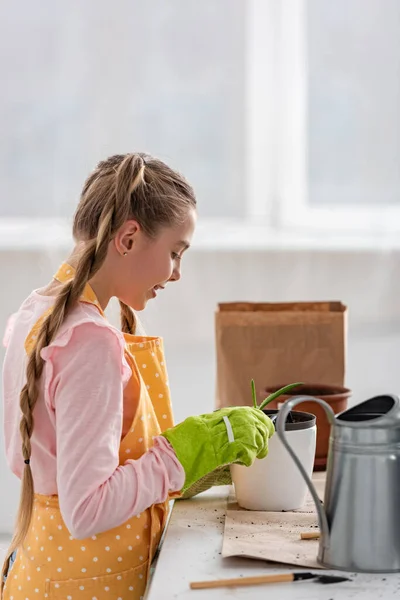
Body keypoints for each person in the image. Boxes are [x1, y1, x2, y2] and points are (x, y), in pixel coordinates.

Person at [1, 153, 273, 599]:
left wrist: (197, 466)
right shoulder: (89, 342)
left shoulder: (39, 310)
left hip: (43, 571)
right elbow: (86, 510)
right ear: (128, 238)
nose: (177, 273)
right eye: (174, 252)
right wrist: (179, 455)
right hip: (84, 585)